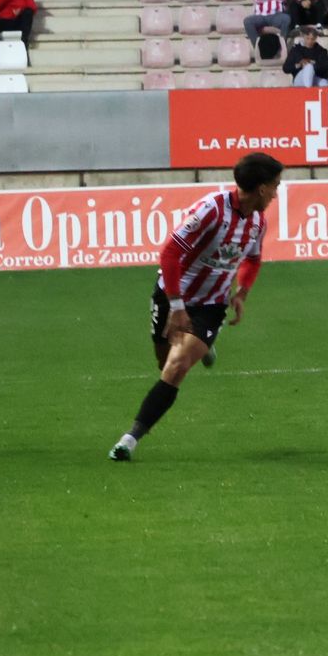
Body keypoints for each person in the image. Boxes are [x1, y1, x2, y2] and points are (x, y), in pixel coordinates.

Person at [108, 153, 282, 462]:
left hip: (211, 305)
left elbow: (253, 260)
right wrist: (176, 306)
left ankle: (129, 439)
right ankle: (202, 347)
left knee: (176, 367)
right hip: (172, 295)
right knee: (164, 362)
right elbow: (170, 253)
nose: (276, 194)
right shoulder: (210, 210)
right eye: (275, 186)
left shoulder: (258, 223)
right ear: (261, 188)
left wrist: (241, 293)